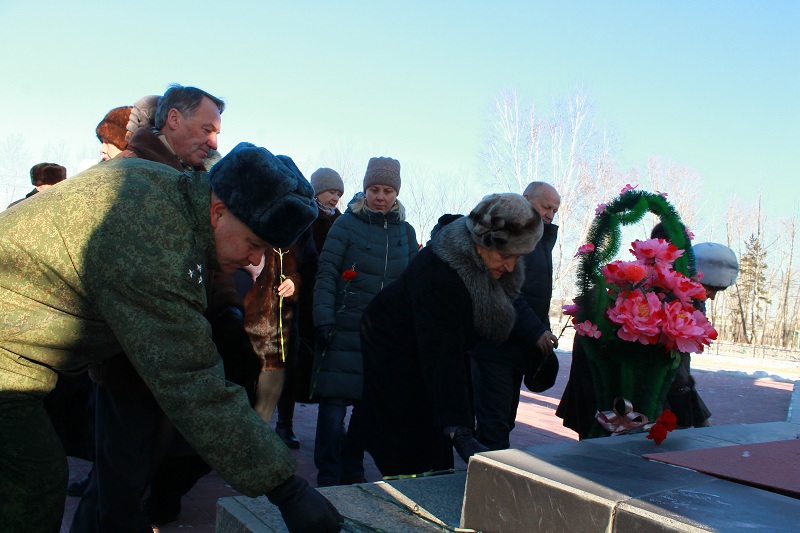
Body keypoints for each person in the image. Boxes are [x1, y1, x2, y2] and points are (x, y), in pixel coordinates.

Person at [0, 142, 343, 533]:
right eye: (254, 244)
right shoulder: (154, 241)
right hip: (10, 351)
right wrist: (287, 490)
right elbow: (192, 383)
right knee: (31, 479)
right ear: (219, 212)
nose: (255, 260)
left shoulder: (168, 191)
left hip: (22, 343)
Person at [71, 86, 229, 531]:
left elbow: (206, 264)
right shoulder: (130, 175)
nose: (214, 141)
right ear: (173, 120)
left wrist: (228, 309)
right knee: (117, 489)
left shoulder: (192, 179)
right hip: (127, 361)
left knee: (125, 482)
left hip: (167, 356)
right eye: (207, 129)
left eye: (217, 133)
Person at [360, 193, 543, 477]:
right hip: (393, 348)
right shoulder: (439, 274)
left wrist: (535, 351)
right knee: (409, 443)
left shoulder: (491, 267)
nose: (511, 266)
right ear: (482, 242)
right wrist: (460, 429)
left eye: (518, 256)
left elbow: (499, 318)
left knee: (434, 441)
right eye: (506, 255)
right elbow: (442, 353)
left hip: (430, 353)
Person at [312, 157, 418, 486]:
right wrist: (323, 318)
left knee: (366, 408)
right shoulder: (346, 225)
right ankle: (328, 474)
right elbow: (327, 273)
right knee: (333, 408)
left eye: (387, 191)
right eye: (374, 189)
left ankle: (353, 468)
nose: (380, 197)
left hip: (383, 336)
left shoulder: (405, 232)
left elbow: (414, 286)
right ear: (365, 190)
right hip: (343, 327)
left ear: (396, 193)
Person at [470, 182, 561, 450]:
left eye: (555, 210)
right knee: (494, 424)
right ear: (526, 198)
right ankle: (484, 472)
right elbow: (505, 289)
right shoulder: (509, 232)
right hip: (495, 343)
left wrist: (542, 329)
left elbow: (536, 294)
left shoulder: (541, 239)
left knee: (504, 420)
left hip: (517, 345)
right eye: (546, 207)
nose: (550, 215)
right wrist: (536, 330)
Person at [280, 167, 345, 449]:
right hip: (303, 300)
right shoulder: (305, 218)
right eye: (331, 191)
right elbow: (294, 257)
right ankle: (285, 423)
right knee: (294, 365)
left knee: (328, 367)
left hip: (331, 301)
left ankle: (332, 426)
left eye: (339, 193)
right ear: (317, 191)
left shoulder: (343, 223)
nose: (335, 197)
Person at [664, 241, 739, 428]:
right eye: (711, 289)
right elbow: (676, 370)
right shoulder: (672, 300)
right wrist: (696, 417)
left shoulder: (691, 300)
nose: (712, 297)